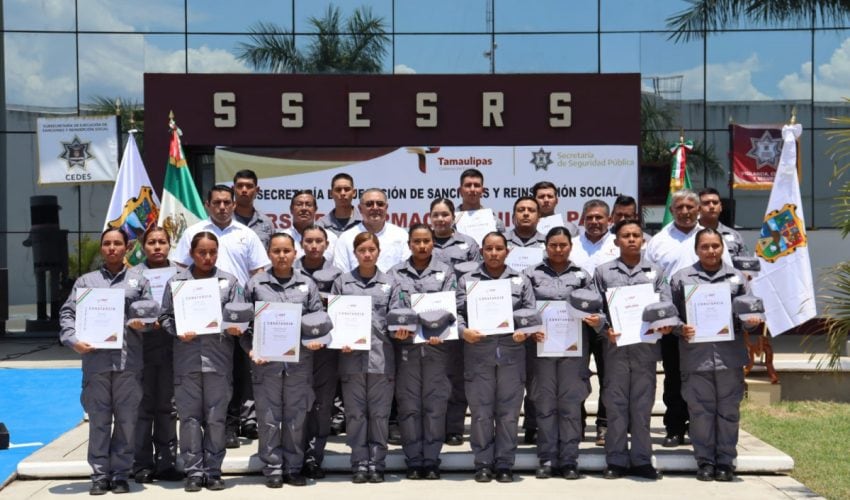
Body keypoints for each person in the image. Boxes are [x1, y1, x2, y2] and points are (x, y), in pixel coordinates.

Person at [171, 185, 271, 449]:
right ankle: (202, 424)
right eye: (217, 202)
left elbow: (259, 272)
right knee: (200, 373)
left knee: (236, 373)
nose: (223, 207)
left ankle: (230, 424)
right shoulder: (193, 233)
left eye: (227, 202)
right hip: (196, 315)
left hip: (235, 313)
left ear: (235, 205)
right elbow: (180, 270)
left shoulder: (246, 234)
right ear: (207, 204)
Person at [59, 228, 152, 495]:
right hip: (96, 362)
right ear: (102, 248)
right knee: (99, 420)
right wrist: (72, 339)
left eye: (117, 244)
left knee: (126, 420)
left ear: (127, 248)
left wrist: (142, 323)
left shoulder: (139, 280)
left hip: (128, 362)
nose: (112, 248)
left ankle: (121, 474)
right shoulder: (85, 282)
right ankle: (100, 475)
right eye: (107, 244)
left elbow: (149, 313)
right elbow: (67, 313)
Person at [670, 228, 762, 482]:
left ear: (722, 247)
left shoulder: (737, 279)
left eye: (715, 246)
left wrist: (752, 321)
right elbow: (670, 313)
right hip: (695, 357)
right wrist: (680, 327)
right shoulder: (681, 278)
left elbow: (748, 312)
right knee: (700, 411)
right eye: (705, 247)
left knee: (728, 411)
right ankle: (705, 461)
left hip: (729, 357)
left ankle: (725, 461)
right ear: (696, 249)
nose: (711, 251)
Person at [159, 231, 245, 492]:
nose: (207, 257)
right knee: (189, 419)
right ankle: (194, 471)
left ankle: (214, 470)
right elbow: (165, 317)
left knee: (216, 418)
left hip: (218, 361)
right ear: (192, 254)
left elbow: (239, 317)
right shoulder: (177, 282)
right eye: (202, 252)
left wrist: (235, 328)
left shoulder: (229, 282)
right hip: (186, 360)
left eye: (212, 252)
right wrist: (176, 330)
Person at [645, 189, 731, 447]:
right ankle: (674, 428)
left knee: (701, 376)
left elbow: (726, 275)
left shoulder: (711, 238)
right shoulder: (658, 241)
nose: (684, 212)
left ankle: (700, 427)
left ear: (698, 210)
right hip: (672, 319)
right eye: (679, 207)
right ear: (671, 211)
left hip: (707, 320)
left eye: (689, 208)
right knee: (673, 375)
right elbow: (648, 279)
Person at [242, 233, 324, 488]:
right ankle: (273, 468)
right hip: (266, 363)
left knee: (296, 417)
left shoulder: (307, 285)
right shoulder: (256, 284)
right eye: (276, 251)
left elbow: (317, 320)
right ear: (268, 254)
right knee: (268, 418)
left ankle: (293, 467)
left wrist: (316, 339)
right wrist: (250, 350)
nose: (282, 256)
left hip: (299, 362)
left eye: (286, 250)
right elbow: (243, 325)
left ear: (295, 252)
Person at [523, 226, 603, 480]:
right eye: (553, 245)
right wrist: (530, 328)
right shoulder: (530, 274)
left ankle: (569, 460)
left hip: (573, 349)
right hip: (541, 347)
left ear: (571, 246)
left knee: (570, 405)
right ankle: (546, 459)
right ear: (545, 246)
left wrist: (595, 320)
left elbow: (598, 308)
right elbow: (523, 309)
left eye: (563, 245)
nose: (558, 249)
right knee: (545, 405)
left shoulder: (582, 276)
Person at [456, 231, 536, 483]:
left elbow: (530, 314)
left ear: (507, 251)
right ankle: (482, 463)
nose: (493, 253)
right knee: (480, 412)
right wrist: (462, 331)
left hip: (512, 353)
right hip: (478, 353)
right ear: (481, 251)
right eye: (488, 248)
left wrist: (525, 331)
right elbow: (456, 313)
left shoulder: (520, 280)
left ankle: (504, 463)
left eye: (498, 248)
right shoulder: (468, 280)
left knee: (509, 413)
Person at [593, 219, 670, 480]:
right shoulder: (603, 272)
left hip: (645, 348)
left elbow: (666, 306)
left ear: (643, 240)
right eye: (626, 235)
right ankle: (615, 460)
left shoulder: (656, 272)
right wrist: (605, 329)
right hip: (615, 347)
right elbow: (596, 310)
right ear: (616, 241)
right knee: (615, 405)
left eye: (636, 235)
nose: (631, 240)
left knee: (642, 405)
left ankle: (641, 460)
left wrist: (664, 324)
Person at [331, 232, 408, 483]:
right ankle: (359, 464)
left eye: (371, 249)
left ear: (378, 251)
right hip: (350, 359)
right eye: (362, 249)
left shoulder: (391, 283)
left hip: (381, 359)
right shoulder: (342, 283)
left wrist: (402, 328)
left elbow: (398, 315)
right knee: (355, 414)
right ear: (355, 253)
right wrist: (339, 339)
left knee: (379, 414)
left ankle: (377, 463)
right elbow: (333, 321)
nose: (367, 254)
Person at [389, 224, 457, 480]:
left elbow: (453, 307)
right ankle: (413, 460)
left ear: (433, 243)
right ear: (409, 244)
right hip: (407, 350)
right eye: (416, 241)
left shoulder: (445, 272)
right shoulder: (395, 274)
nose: (421, 246)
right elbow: (392, 310)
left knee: (435, 406)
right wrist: (398, 329)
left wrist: (446, 330)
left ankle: (431, 460)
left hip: (436, 349)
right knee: (409, 407)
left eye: (426, 241)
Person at [131, 226, 180, 484]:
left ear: (169, 245)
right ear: (143, 245)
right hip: (140, 351)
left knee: (168, 408)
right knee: (143, 408)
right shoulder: (131, 276)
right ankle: (141, 464)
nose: (157, 247)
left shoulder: (182, 275)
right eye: (152, 242)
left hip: (172, 350)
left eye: (162, 242)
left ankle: (167, 463)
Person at [428, 198, 479, 446]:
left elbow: (479, 280)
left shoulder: (468, 245)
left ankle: (455, 428)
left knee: (457, 377)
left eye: (445, 215)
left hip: (460, 315)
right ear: (430, 218)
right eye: (436, 215)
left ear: (453, 217)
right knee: (434, 378)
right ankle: (434, 427)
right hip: (431, 319)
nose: (440, 219)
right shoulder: (423, 242)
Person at [296, 224, 344, 478]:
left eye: (319, 241)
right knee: (297, 403)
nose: (314, 246)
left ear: (326, 244)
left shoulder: (339, 276)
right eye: (309, 241)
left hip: (326, 350)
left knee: (322, 404)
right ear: (301, 244)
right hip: (294, 350)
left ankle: (315, 457)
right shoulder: (288, 271)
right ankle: (294, 455)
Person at [569, 199, 618, 446]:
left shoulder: (617, 245)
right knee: (576, 374)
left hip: (607, 320)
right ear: (583, 219)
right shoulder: (573, 245)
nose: (595, 222)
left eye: (600, 217)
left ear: (609, 220)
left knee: (608, 374)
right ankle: (576, 422)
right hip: (575, 321)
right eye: (590, 218)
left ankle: (604, 425)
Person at [503, 196, 546, 444]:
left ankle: (532, 426)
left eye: (531, 210)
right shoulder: (501, 242)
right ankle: (507, 428)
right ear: (513, 214)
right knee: (509, 379)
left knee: (536, 377)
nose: (526, 214)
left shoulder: (546, 243)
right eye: (521, 210)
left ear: (538, 215)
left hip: (537, 315)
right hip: (503, 318)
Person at [333, 188, 410, 273]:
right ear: (360, 208)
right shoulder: (346, 238)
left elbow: (406, 273)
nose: (375, 208)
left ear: (386, 207)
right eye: (369, 204)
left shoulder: (401, 235)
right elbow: (341, 274)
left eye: (380, 204)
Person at [285, 190, 338, 260]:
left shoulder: (331, 238)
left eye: (308, 205)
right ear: (291, 209)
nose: (304, 208)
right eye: (299, 204)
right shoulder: (282, 238)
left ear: (315, 209)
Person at [232, 169, 275, 250]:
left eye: (249, 186)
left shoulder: (267, 223)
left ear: (257, 190)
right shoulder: (224, 221)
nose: (244, 190)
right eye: (240, 186)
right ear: (233, 189)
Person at [697, 188, 747, 257]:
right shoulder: (691, 234)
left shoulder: (735, 235)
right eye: (706, 203)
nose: (711, 206)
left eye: (715, 203)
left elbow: (744, 264)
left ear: (720, 207)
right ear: (698, 208)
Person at [455, 168, 506, 234]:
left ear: (483, 191)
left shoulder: (495, 222)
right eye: (468, 185)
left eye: (476, 185)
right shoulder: (450, 221)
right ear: (460, 191)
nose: (472, 189)